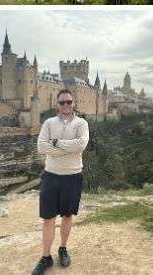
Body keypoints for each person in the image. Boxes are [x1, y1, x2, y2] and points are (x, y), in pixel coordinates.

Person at [31, 89, 90, 275]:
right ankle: (46, 257)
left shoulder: (82, 123)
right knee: (48, 219)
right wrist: (68, 148)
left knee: (67, 216)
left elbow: (81, 145)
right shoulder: (49, 123)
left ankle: (63, 248)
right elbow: (41, 147)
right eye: (62, 102)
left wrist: (55, 143)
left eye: (69, 102)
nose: (66, 105)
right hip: (51, 175)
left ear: (74, 103)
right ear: (57, 104)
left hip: (72, 177)